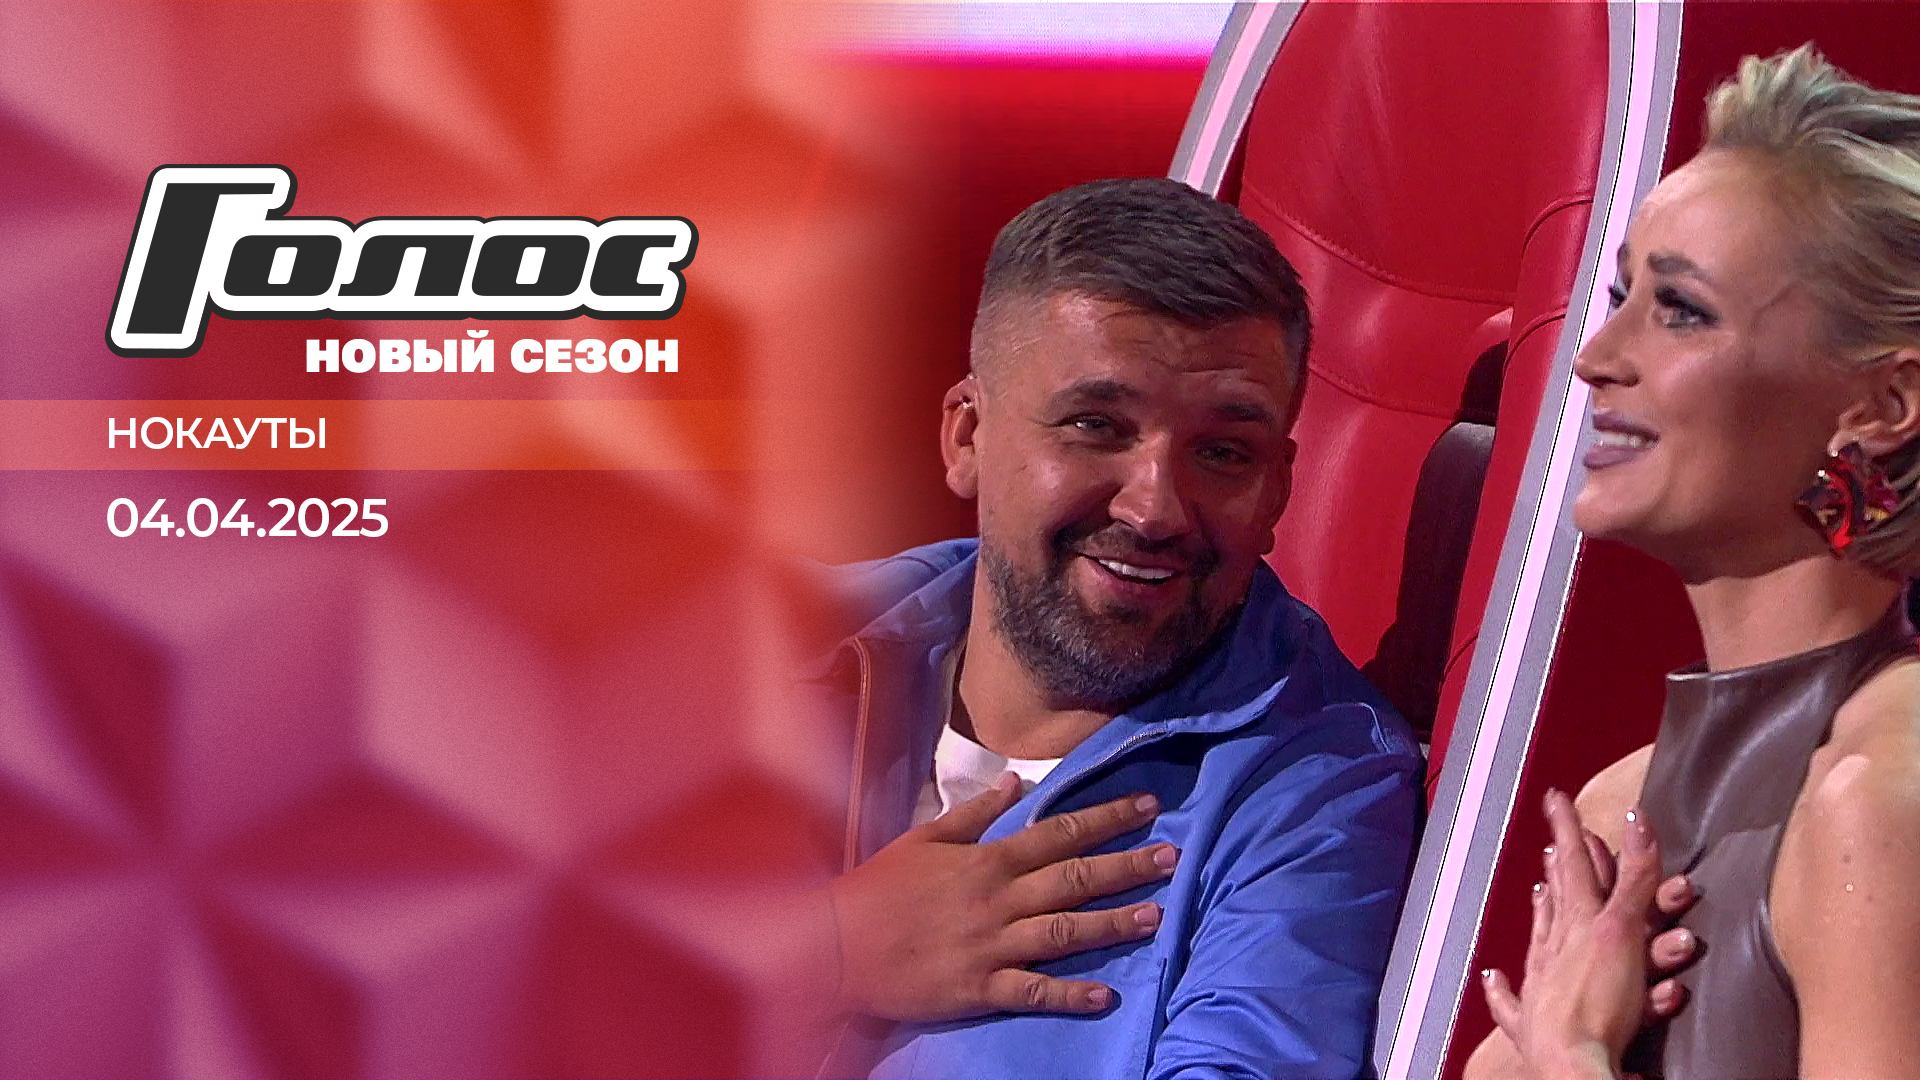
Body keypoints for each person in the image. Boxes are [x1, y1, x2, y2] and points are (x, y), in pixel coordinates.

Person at [810, 177, 1424, 1078]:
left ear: (1279, 490)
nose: (1155, 509)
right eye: (1095, 426)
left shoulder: (1318, 787)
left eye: (1224, 453)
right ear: (968, 437)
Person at [1471, 46, 1920, 1079]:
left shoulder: (1879, 801)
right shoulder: (1615, 810)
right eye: (1622, 294)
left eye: (1680, 309)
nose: (1594, 358)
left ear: (1881, 405)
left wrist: (1574, 1058)